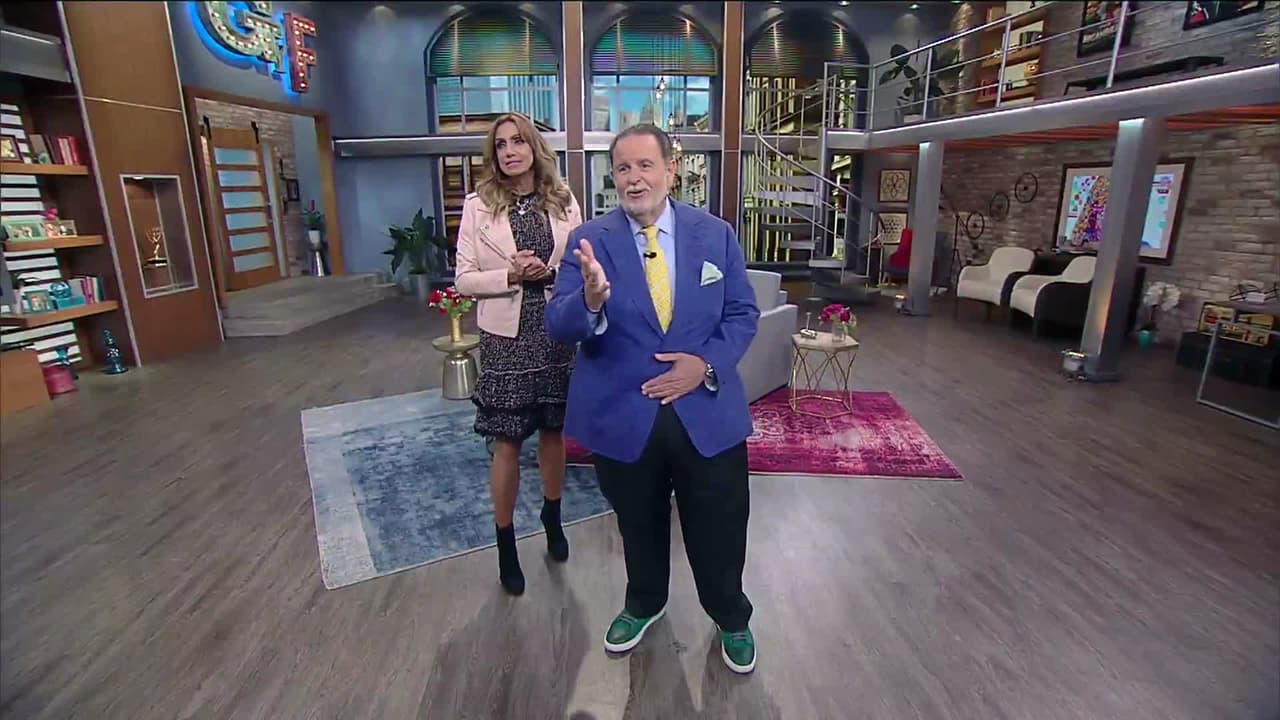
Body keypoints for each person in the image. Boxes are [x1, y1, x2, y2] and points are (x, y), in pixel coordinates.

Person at [545, 125, 761, 673]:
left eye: (645, 165)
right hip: (623, 416)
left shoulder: (716, 235)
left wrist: (703, 364)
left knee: (720, 523)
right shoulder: (588, 241)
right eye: (623, 168)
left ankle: (731, 616)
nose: (634, 178)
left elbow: (742, 313)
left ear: (670, 170)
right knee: (637, 522)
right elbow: (559, 324)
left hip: (705, 411)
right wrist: (590, 299)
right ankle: (644, 601)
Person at [455, 112, 583, 596]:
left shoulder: (564, 200)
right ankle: (505, 543)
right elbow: (463, 280)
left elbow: (580, 264)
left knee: (553, 431)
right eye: (501, 144)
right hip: (504, 340)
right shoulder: (478, 206)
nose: (510, 151)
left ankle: (553, 517)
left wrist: (547, 274)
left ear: (534, 148)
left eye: (518, 142)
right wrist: (510, 275)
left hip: (554, 332)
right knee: (506, 442)